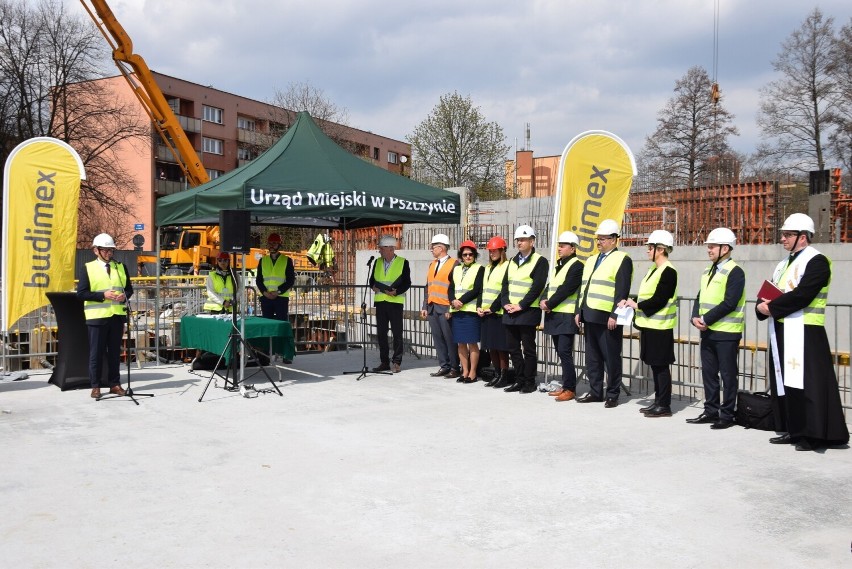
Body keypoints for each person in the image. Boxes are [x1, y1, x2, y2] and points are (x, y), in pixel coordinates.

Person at [756, 213, 849, 451]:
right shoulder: (783, 263)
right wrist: (761, 306)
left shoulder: (817, 261)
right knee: (788, 383)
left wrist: (772, 307)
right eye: (783, 235)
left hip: (806, 330)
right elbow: (772, 290)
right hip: (783, 328)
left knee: (809, 385)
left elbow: (804, 294)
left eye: (787, 235)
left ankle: (814, 434)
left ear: (803, 237)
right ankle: (794, 429)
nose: (783, 239)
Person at [686, 227, 745, 429]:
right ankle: (711, 410)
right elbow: (700, 296)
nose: (708, 250)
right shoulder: (708, 270)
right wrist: (695, 317)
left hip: (727, 333)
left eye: (712, 246)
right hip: (708, 331)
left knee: (728, 375)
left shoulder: (736, 272)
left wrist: (705, 318)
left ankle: (726, 415)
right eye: (708, 246)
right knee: (709, 374)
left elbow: (730, 302)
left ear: (725, 248)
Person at [575, 218, 633, 407]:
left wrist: (615, 314)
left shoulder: (622, 259)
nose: (598, 242)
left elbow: (622, 290)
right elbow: (584, 287)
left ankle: (613, 394)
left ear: (614, 239)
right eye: (597, 239)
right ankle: (595, 391)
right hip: (589, 313)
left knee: (611, 357)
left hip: (607, 316)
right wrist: (578, 310)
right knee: (593, 357)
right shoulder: (591, 260)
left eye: (603, 239)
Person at [620, 230, 678, 417]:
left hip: (660, 327)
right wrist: (631, 300)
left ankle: (664, 405)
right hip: (650, 326)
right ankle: (658, 402)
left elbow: (660, 299)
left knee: (661, 367)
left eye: (650, 247)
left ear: (660, 249)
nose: (647, 250)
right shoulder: (654, 270)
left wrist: (636, 305)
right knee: (655, 365)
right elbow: (647, 295)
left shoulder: (668, 271)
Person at [76, 233, 133, 399]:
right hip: (97, 317)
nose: (109, 253)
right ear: (96, 251)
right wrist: (103, 295)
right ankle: (95, 386)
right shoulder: (87, 268)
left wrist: (125, 296)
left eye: (111, 250)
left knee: (115, 353)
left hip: (116, 316)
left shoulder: (120, 267)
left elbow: (129, 289)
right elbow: (81, 294)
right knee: (96, 354)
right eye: (106, 250)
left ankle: (114, 384)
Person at [500, 225, 548, 393]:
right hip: (510, 311)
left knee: (528, 349)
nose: (519, 242)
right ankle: (519, 380)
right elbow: (505, 284)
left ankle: (529, 381)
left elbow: (537, 287)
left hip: (527, 312)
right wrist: (505, 303)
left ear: (532, 241)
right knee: (513, 348)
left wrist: (520, 305)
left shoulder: (540, 261)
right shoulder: (512, 261)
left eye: (523, 240)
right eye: (518, 240)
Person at [540, 231, 584, 402]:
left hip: (565, 315)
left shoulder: (576, 265)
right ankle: (566, 386)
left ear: (572, 248)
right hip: (555, 315)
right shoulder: (560, 266)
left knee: (565, 352)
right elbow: (550, 286)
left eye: (563, 245)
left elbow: (567, 289)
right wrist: (544, 299)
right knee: (560, 351)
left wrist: (549, 304)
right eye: (559, 245)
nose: (559, 248)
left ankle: (570, 388)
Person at [369, 235, 411, 373]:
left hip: (395, 302)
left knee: (397, 333)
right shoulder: (377, 262)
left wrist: (397, 291)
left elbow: (407, 282)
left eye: (381, 248)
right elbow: (372, 280)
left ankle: (397, 362)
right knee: (381, 334)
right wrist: (373, 287)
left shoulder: (403, 262)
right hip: (381, 302)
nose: (379, 251)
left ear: (390, 249)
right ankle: (384, 362)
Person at [421, 234, 461, 378]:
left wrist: (451, 308)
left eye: (433, 246)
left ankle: (455, 367)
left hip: (445, 307)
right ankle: (444, 366)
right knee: (438, 338)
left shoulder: (455, 264)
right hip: (432, 307)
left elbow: (456, 288)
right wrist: (425, 306)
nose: (431, 249)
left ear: (441, 247)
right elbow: (428, 286)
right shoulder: (432, 264)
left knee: (449, 339)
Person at [478, 236, 512, 387]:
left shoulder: (507, 266)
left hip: (498, 312)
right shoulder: (487, 268)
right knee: (490, 345)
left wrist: (493, 308)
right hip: (485, 312)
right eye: (490, 251)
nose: (492, 253)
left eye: (495, 250)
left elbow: (505, 291)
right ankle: (497, 373)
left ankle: (504, 375)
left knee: (501, 346)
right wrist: (479, 306)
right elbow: (482, 289)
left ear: (502, 250)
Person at [449, 240, 484, 383]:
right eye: (465, 254)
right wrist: (452, 300)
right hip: (457, 310)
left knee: (472, 343)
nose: (468, 257)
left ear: (475, 255)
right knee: (460, 343)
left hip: (470, 310)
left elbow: (476, 289)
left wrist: (461, 301)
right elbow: (451, 287)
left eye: (470, 254)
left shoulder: (479, 268)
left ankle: (473, 372)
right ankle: (464, 371)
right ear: (461, 256)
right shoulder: (456, 268)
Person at [256, 232, 295, 321]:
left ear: (279, 244)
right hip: (266, 298)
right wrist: (265, 293)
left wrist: (278, 292)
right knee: (267, 324)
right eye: (270, 243)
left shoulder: (286, 260)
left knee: (281, 324)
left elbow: (290, 280)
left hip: (281, 298)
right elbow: (259, 280)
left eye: (274, 243)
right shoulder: (263, 260)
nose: (271, 246)